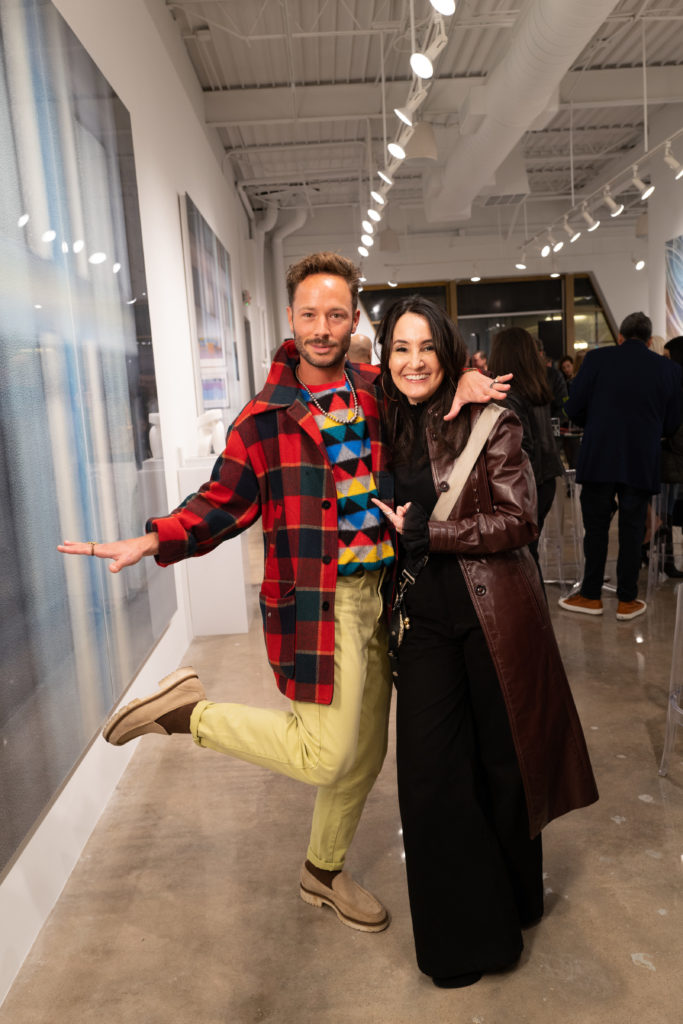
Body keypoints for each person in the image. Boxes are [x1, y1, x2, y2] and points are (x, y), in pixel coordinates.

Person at [58, 252, 509, 934]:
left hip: (387, 598)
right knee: (324, 753)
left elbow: (428, 408)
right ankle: (187, 715)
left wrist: (462, 387)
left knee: (364, 757)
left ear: (353, 321)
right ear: (290, 317)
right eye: (310, 314)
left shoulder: (376, 390)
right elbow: (220, 501)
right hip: (320, 604)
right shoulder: (263, 419)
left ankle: (321, 872)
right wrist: (152, 539)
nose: (322, 328)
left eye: (336, 314)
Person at [371, 295, 598, 988]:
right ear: (385, 357)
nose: (413, 361)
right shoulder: (380, 419)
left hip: (493, 613)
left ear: (447, 352)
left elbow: (519, 518)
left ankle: (517, 902)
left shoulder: (490, 418)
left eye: (426, 348)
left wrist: (432, 533)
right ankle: (466, 940)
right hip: (421, 623)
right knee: (430, 777)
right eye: (400, 348)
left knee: (503, 768)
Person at [558, 312, 682, 621]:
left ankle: (591, 595)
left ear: (620, 337)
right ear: (650, 341)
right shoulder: (668, 369)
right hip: (642, 457)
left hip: (600, 454)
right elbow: (672, 422)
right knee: (633, 528)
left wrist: (596, 422)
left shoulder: (597, 360)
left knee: (596, 528)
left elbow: (573, 408)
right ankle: (627, 600)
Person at [488, 327, 564, 576]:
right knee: (529, 555)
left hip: (525, 486)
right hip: (545, 480)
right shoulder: (535, 388)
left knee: (522, 560)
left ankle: (533, 602)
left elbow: (521, 447)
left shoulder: (508, 395)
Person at [660, 336, 683, 577]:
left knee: (664, 510)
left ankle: (666, 560)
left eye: (667, 356)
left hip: (671, 459)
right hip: (673, 460)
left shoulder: (675, 385)